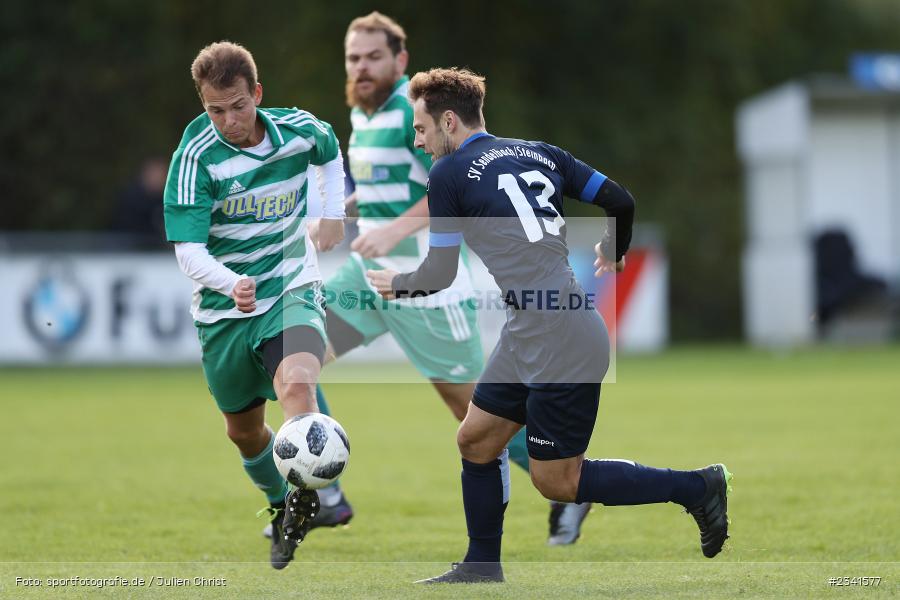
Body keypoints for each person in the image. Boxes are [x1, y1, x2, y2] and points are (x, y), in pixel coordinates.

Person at [367, 67, 733, 584]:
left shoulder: (447, 175)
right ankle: (481, 565)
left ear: (449, 121)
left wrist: (395, 284)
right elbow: (619, 201)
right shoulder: (540, 151)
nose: (418, 140)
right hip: (536, 329)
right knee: (475, 439)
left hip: (559, 339)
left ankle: (697, 487)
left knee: (558, 481)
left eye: (422, 129)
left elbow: (439, 273)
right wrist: (614, 249)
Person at [313, 10, 592, 546]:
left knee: (476, 417)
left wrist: (393, 230)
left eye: (373, 56)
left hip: (423, 280)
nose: (362, 66)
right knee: (292, 357)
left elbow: (451, 186)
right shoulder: (364, 114)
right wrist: (344, 210)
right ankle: (326, 493)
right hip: (367, 276)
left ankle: (575, 485)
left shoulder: (409, 112)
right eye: (354, 57)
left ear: (400, 60)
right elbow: (387, 185)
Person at [163, 41, 346, 570]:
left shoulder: (298, 131)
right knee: (243, 433)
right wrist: (228, 281)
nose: (228, 120)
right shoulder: (195, 157)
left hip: (290, 285)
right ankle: (280, 502)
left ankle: (312, 491)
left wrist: (333, 212)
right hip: (224, 310)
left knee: (296, 384)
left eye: (237, 106)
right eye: (214, 110)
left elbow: (330, 150)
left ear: (257, 94)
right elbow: (188, 251)